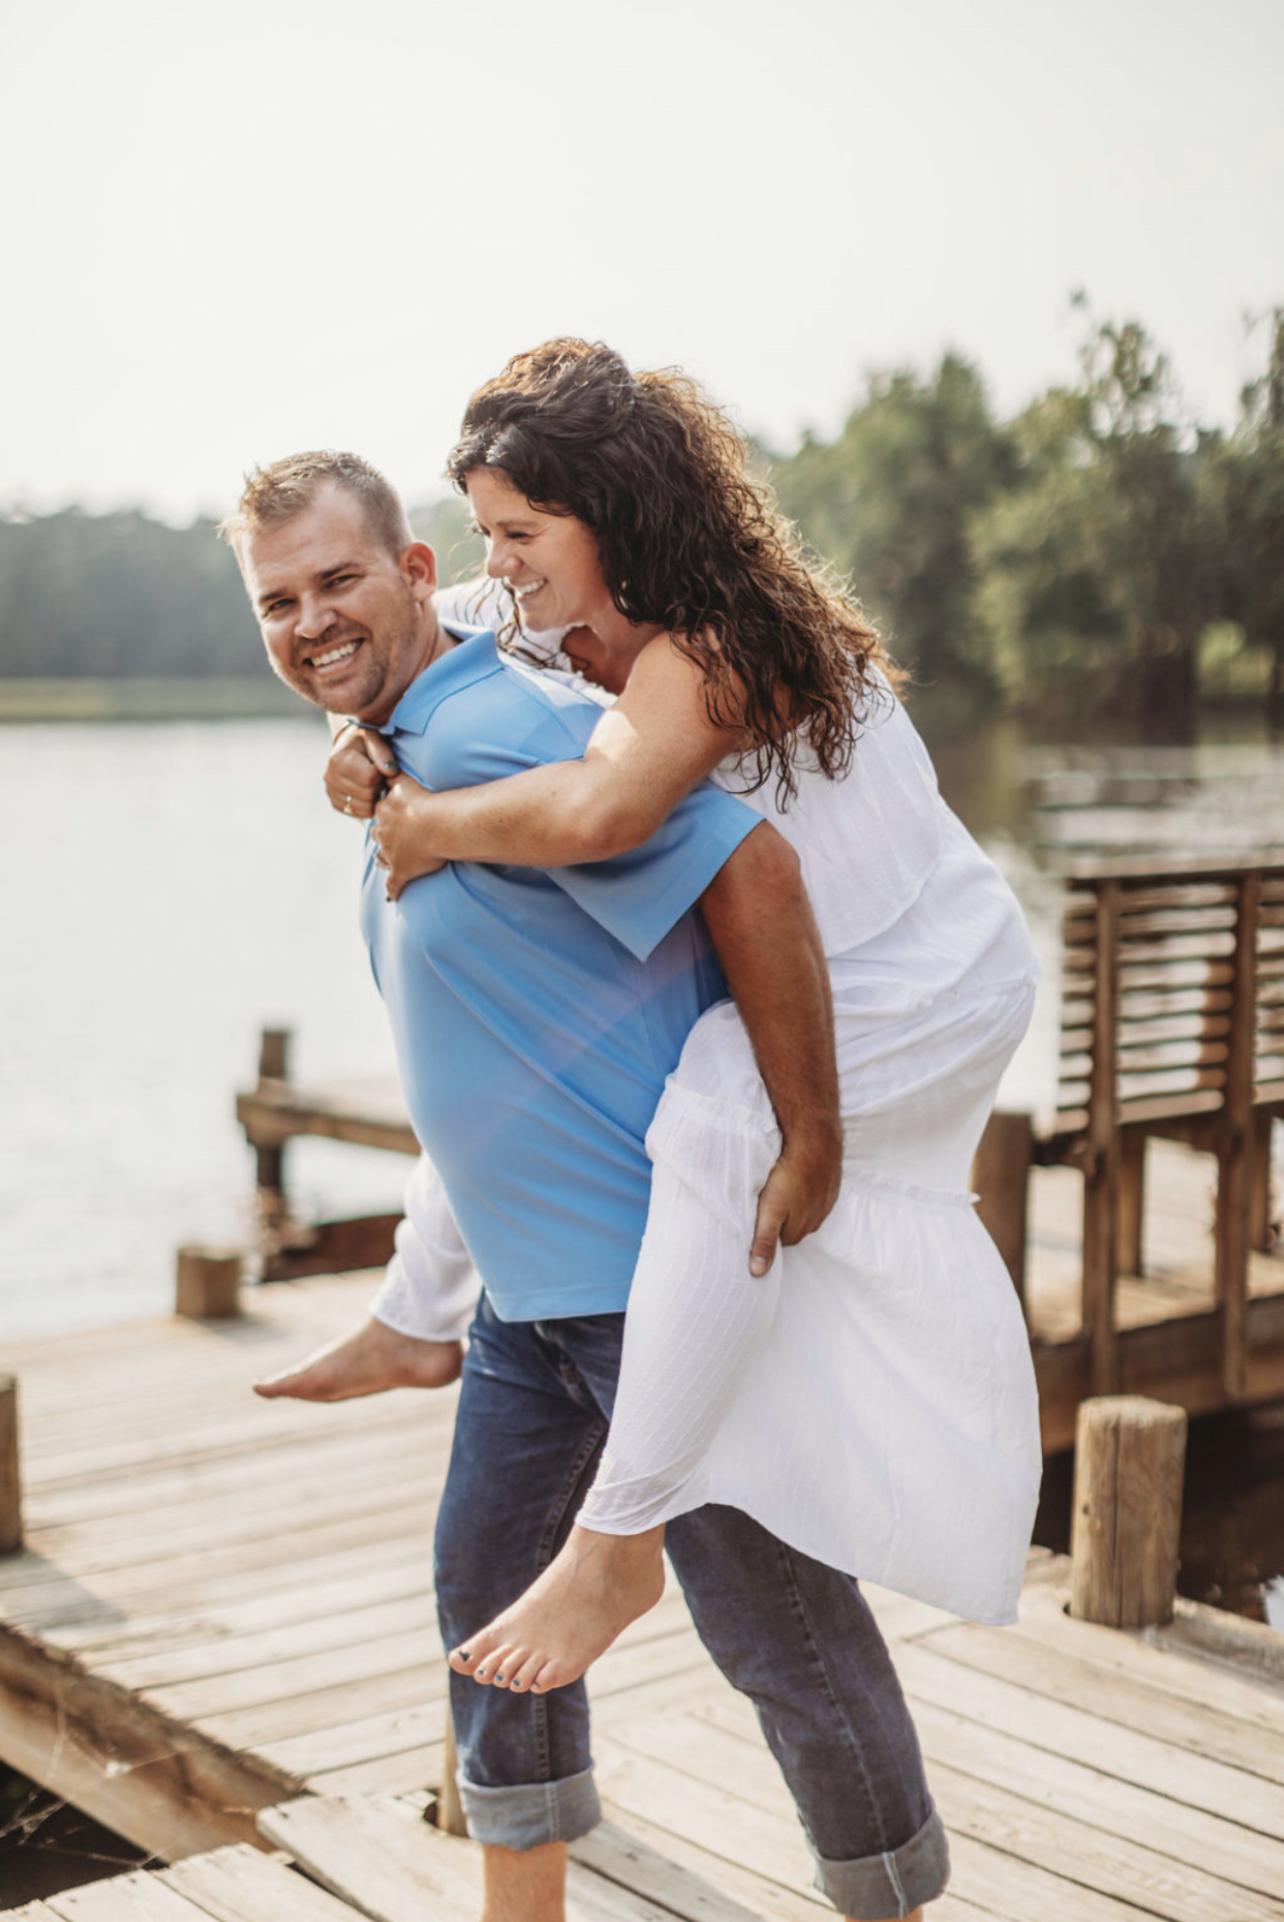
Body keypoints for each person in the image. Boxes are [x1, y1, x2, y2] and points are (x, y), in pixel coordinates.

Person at [226, 448, 950, 1922]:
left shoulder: (498, 726)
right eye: (276, 601)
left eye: (338, 580)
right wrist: (365, 750)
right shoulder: (416, 737)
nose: (309, 621)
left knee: (782, 1633)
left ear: (418, 573)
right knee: (486, 1586)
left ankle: (891, 1902)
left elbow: (753, 870)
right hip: (528, 1302)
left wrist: (810, 1135)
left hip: (655, 1290)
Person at [315, 340, 1042, 1707]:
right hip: (788, 954)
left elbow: (606, 810)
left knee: (709, 1108)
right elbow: (401, 643)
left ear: (614, 517)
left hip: (916, 967)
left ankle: (619, 1539)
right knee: (542, 1039)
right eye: (485, 532)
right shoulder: (539, 603)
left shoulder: (726, 642)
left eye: (521, 532)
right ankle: (416, 1312)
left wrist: (426, 824)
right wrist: (355, 744)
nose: (497, 564)